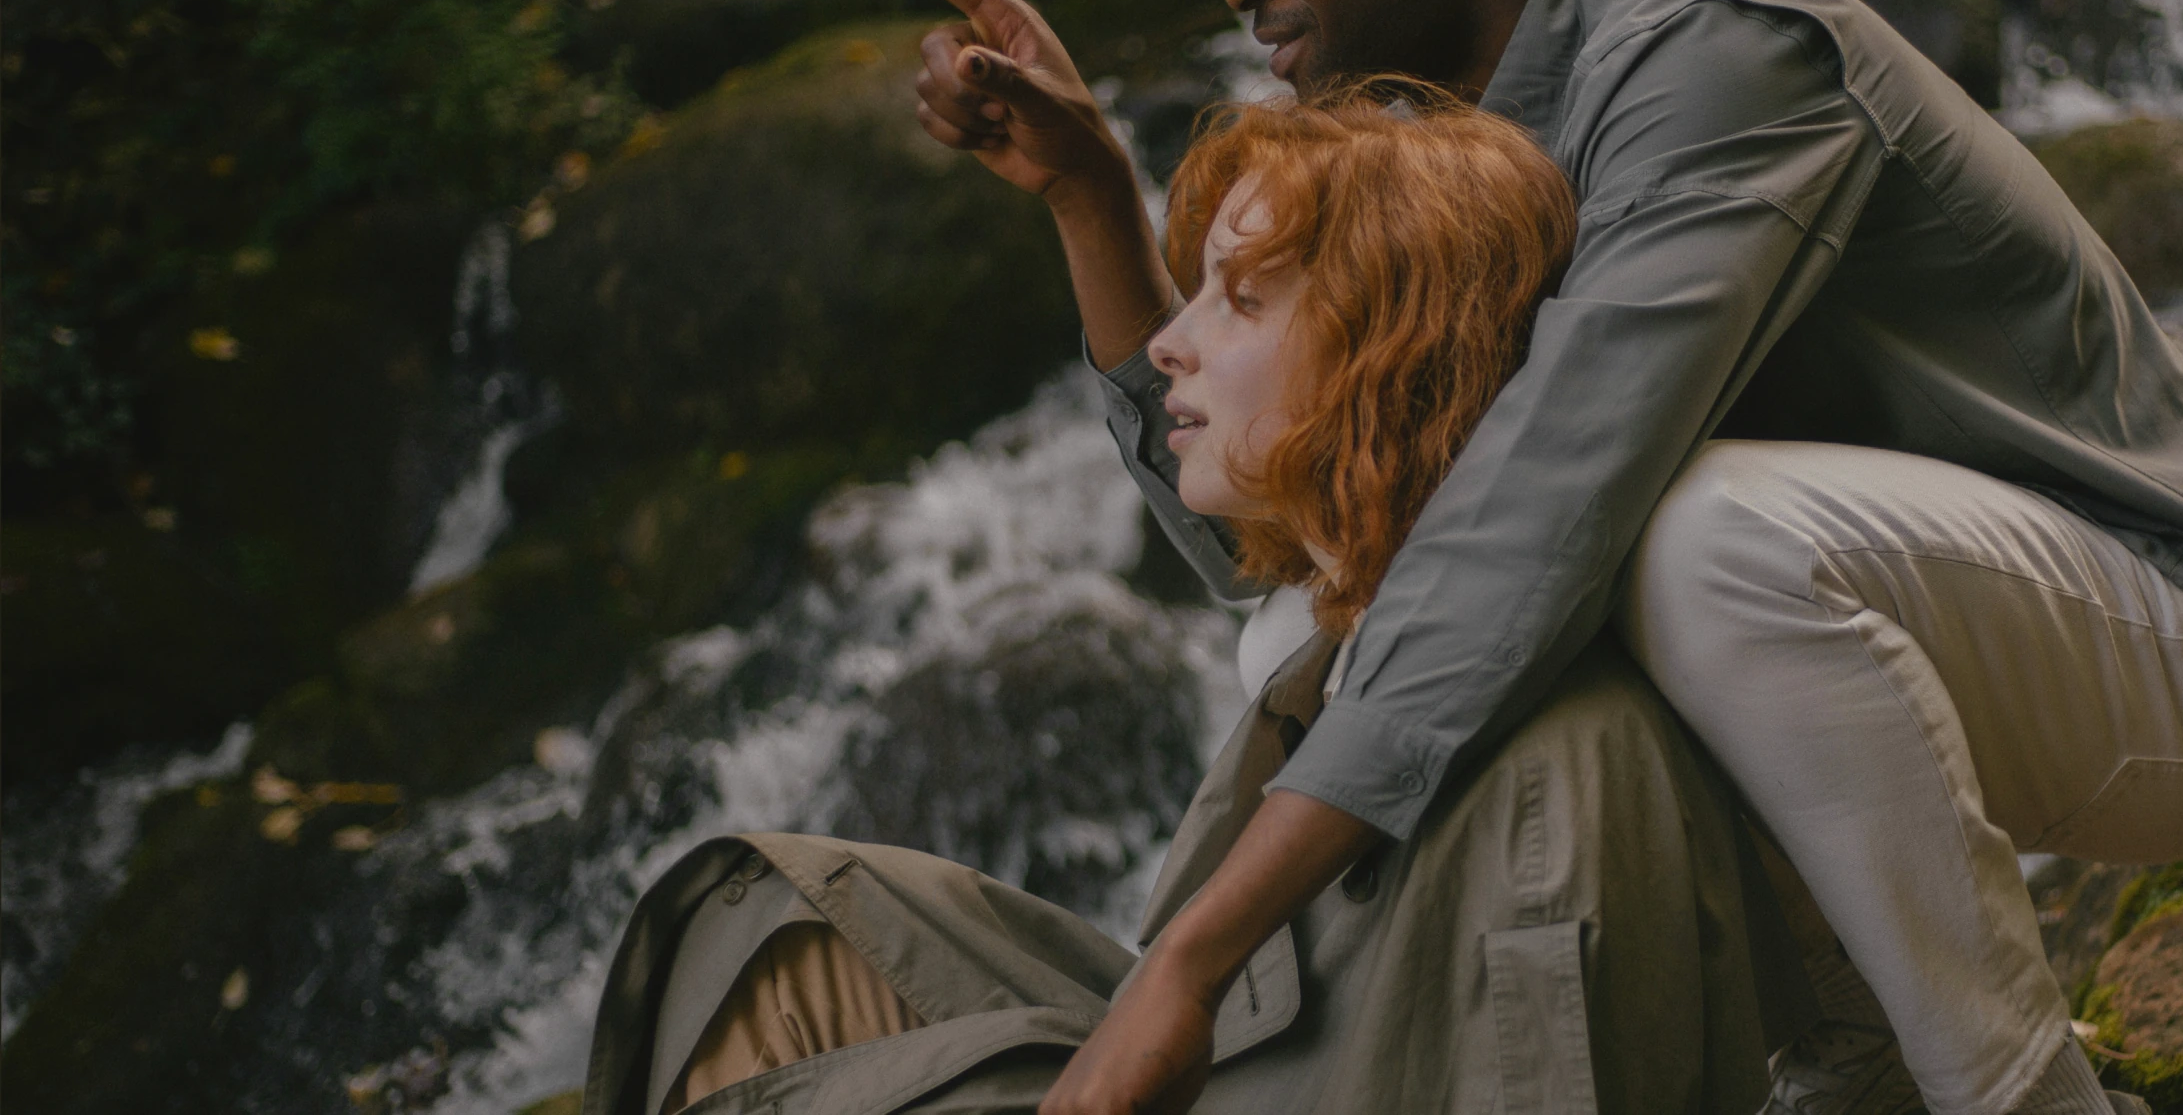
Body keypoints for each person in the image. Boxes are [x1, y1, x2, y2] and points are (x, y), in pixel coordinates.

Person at [862, 0, 2183, 1113]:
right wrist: (1091, 198)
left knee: (1685, 541)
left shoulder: (1718, 55)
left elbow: (1545, 508)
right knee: (1361, 626)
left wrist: (1191, 955)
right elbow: (1310, 543)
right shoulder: (1426, 143)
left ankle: (2020, 1092)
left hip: (2164, 646)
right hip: (1888, 645)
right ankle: (1859, 1066)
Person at [582, 94, 1809, 1115]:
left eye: (1242, 298)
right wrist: (1086, 195)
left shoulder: (1554, 775)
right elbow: (1211, 508)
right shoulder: (1349, 623)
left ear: (1393, 356)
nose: (1172, 339)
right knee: (771, 921)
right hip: (1245, 1062)